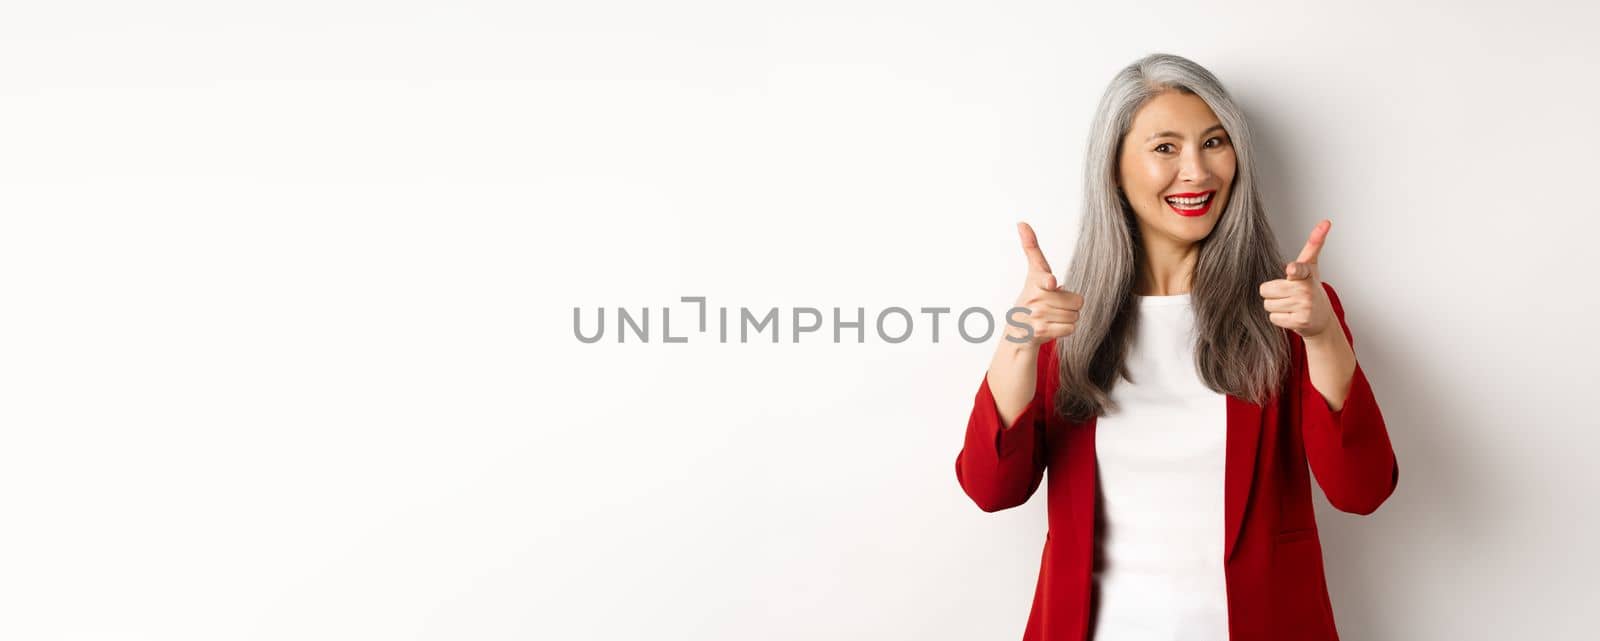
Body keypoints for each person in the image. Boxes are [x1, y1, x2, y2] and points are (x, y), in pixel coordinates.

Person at [954, 53, 1399, 641]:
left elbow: (1361, 490)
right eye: (1165, 148)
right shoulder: (1060, 322)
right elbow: (992, 490)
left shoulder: (1292, 310)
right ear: (1114, 168)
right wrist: (1017, 344)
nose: (1197, 171)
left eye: (1214, 143)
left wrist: (1322, 336)